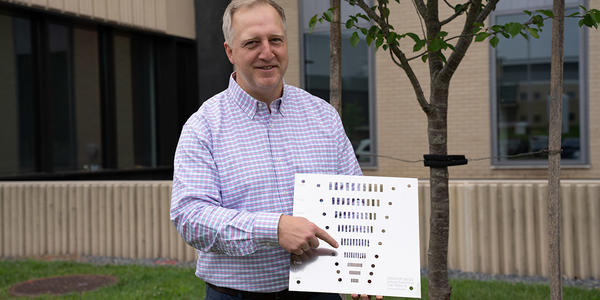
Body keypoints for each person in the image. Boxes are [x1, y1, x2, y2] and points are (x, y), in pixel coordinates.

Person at [171, 1, 381, 299]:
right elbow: (190, 217)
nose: (267, 53)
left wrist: (362, 267)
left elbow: (354, 198)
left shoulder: (323, 116)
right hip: (237, 294)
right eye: (252, 43)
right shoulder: (203, 126)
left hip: (319, 291)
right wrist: (274, 228)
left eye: (275, 40)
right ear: (230, 51)